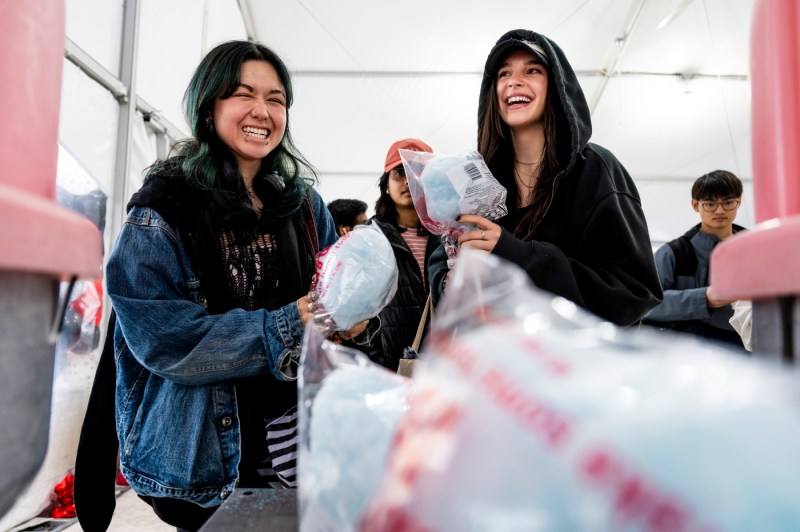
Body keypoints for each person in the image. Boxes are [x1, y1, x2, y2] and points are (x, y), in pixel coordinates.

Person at [101, 40, 370, 530]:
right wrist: (289, 323)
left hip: (297, 451)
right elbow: (163, 340)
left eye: (276, 99)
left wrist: (349, 323)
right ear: (209, 108)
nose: (262, 112)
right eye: (244, 94)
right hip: (204, 455)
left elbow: (329, 303)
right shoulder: (161, 211)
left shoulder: (305, 208)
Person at [428, 29, 662, 326]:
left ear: (556, 86)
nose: (514, 81)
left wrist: (520, 256)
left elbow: (634, 293)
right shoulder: (473, 176)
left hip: (578, 366)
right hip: (498, 363)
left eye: (532, 70)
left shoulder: (596, 170)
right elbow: (441, 259)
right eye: (503, 74)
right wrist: (451, 280)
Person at [643, 170, 747, 348]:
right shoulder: (674, 253)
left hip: (749, 345)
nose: (720, 210)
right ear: (695, 205)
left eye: (728, 202)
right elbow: (644, 303)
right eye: (710, 204)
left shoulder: (755, 247)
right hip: (692, 350)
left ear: (739, 201)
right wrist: (704, 298)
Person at [369, 138, 440, 370]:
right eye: (399, 173)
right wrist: (377, 362)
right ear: (386, 185)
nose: (408, 180)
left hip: (444, 369)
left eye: (418, 172)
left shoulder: (450, 234)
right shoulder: (368, 238)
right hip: (390, 372)